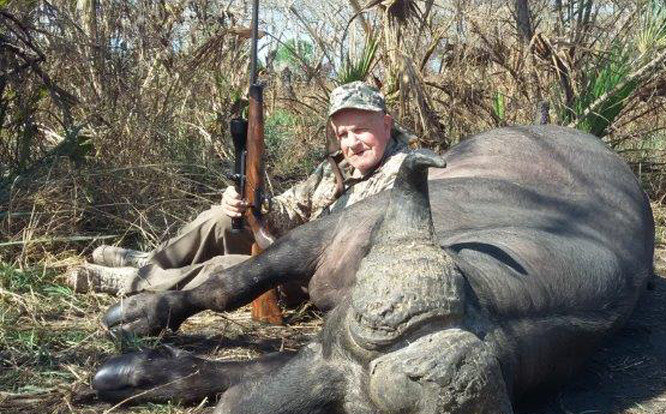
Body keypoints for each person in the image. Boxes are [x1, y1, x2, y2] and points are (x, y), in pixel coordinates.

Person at [67, 82, 413, 295]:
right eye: (342, 134)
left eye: (360, 130)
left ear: (386, 123)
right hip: (291, 249)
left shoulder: (408, 175)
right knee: (219, 218)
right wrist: (251, 202)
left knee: (226, 268)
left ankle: (131, 282)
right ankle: (149, 261)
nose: (351, 143)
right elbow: (293, 208)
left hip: (318, 277)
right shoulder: (336, 166)